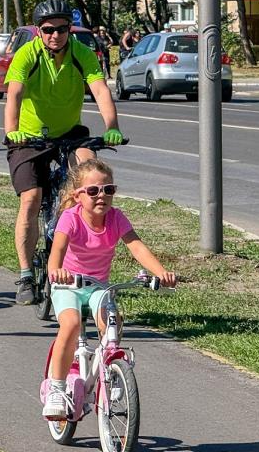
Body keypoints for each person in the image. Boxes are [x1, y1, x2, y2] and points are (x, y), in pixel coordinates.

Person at [4, 0, 124, 305]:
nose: (55, 35)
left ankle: (80, 243)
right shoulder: (26, 54)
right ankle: (26, 275)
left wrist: (112, 126)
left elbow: (99, 89)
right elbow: (14, 93)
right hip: (28, 137)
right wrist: (12, 132)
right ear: (38, 31)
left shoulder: (81, 54)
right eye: (48, 30)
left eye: (61, 29)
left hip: (69, 133)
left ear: (69, 30)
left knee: (90, 171)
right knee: (31, 199)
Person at [41, 159, 175, 419]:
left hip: (98, 287)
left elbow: (136, 246)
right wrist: (57, 270)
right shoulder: (70, 218)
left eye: (108, 190)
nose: (101, 196)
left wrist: (160, 273)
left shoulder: (116, 218)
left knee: (112, 323)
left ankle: (110, 374)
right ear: (78, 195)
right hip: (68, 284)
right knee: (69, 325)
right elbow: (56, 251)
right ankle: (57, 388)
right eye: (93, 191)